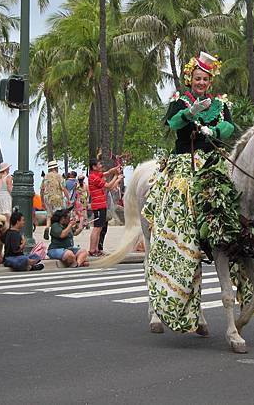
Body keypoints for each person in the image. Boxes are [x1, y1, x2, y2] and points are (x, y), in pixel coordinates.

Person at [142, 51, 236, 333]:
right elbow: (172, 124)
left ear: (210, 80)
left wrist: (216, 130)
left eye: (205, 78)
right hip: (184, 161)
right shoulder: (178, 101)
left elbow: (229, 127)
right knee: (178, 200)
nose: (201, 82)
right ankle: (170, 237)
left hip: (213, 160)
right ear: (190, 79)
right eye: (197, 78)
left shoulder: (220, 104)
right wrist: (188, 114)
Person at [88, 160, 123, 256]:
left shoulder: (96, 174)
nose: (101, 165)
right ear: (94, 167)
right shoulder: (93, 177)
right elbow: (108, 186)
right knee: (97, 228)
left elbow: (108, 172)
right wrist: (116, 176)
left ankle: (96, 249)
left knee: (99, 228)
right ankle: (92, 250)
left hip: (101, 205)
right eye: (99, 164)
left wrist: (115, 169)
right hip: (98, 205)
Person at [41, 160, 69, 240]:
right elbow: (63, 188)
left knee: (49, 215)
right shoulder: (59, 176)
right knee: (57, 216)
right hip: (57, 197)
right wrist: (68, 198)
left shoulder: (45, 177)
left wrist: (42, 201)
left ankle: (47, 227)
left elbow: (42, 189)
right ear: (56, 167)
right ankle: (56, 231)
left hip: (47, 197)